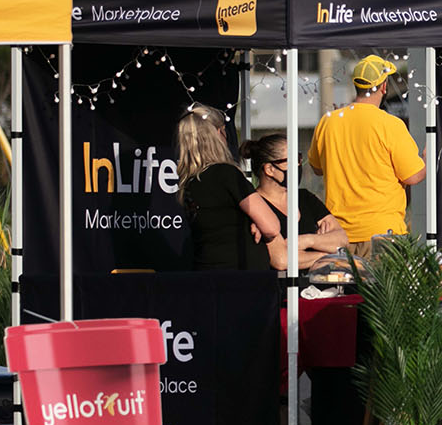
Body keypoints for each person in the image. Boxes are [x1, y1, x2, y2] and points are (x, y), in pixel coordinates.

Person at [308, 55, 426, 244]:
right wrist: (427, 159)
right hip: (383, 234)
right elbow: (412, 176)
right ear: (384, 86)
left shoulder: (328, 121)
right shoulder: (390, 125)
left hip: (338, 235)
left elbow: (316, 168)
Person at [176, 105, 279, 272]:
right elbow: (272, 227)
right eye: (224, 130)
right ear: (217, 134)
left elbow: (221, 220)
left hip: (206, 274)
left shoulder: (190, 182)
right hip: (240, 277)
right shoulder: (226, 174)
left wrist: (254, 221)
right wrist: (258, 222)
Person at [243, 133, 349, 271]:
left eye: (299, 158)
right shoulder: (255, 205)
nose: (298, 165)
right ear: (270, 169)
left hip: (319, 289)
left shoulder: (305, 198)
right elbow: (281, 260)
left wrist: (305, 241)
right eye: (292, 160)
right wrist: (328, 254)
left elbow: (342, 240)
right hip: (281, 289)